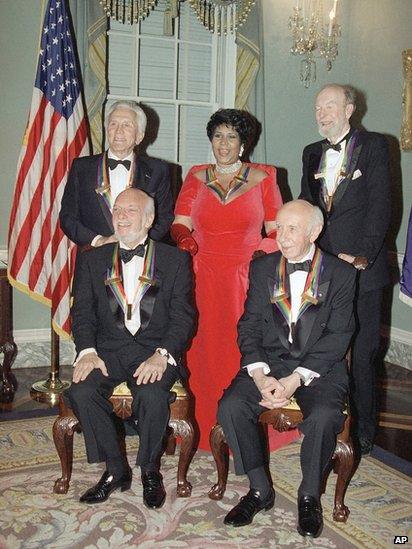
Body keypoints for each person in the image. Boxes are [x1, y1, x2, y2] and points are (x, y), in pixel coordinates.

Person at [217, 200, 356, 538]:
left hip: (319, 367)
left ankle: (309, 495)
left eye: (293, 228)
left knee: (324, 416)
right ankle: (259, 489)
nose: (282, 236)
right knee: (230, 406)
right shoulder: (263, 268)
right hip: (271, 361)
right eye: (280, 227)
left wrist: (295, 379)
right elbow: (248, 325)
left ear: (315, 232)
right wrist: (260, 374)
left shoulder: (341, 274)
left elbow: (339, 336)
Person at [65, 188, 195, 508]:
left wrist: (162, 355)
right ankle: (115, 468)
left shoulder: (174, 260)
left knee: (151, 394)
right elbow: (81, 314)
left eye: (130, 211)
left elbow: (183, 318)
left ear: (149, 219)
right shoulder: (92, 260)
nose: (121, 216)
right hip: (107, 350)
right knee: (81, 390)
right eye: (117, 210)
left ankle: (150, 469)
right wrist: (87, 352)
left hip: (155, 350)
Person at [171, 108, 283, 449]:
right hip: (202, 274)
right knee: (202, 351)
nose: (224, 144)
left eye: (231, 137)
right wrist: (184, 239)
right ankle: (201, 427)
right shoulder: (196, 176)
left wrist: (261, 254)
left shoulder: (264, 178)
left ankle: (244, 428)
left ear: (243, 143)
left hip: (246, 277)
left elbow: (278, 230)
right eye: (218, 136)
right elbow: (180, 222)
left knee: (242, 348)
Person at [300, 84, 391, 455]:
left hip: (362, 269)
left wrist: (362, 255)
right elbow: (310, 207)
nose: (322, 114)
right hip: (324, 270)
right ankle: (322, 418)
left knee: (364, 352)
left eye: (330, 106)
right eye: (318, 107)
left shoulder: (374, 147)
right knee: (321, 345)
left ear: (350, 109)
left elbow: (381, 206)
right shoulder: (311, 152)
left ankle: (364, 428)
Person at [60, 100, 174, 246]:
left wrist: (138, 243)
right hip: (93, 259)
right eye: (113, 124)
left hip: (142, 258)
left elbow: (165, 218)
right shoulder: (81, 168)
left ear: (139, 136)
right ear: (107, 130)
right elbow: (67, 217)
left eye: (127, 125)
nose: (119, 131)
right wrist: (98, 241)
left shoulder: (158, 170)